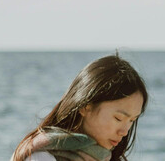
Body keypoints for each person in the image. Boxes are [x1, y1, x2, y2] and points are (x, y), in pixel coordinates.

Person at [11, 52, 148, 161]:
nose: (124, 132)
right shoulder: (40, 157)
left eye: (132, 120)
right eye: (118, 118)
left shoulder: (105, 157)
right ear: (85, 107)